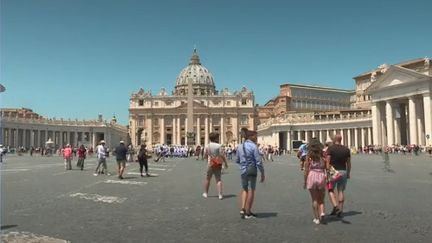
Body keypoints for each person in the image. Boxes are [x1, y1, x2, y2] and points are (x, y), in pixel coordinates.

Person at [236, 130, 265, 219]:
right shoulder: (253, 146)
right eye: (255, 136)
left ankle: (242, 208)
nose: (256, 138)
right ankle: (248, 211)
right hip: (252, 170)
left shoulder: (240, 146)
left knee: (244, 189)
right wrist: (262, 173)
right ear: (251, 136)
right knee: (251, 190)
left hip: (243, 171)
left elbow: (237, 160)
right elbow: (258, 161)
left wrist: (243, 164)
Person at [326, 134, 351, 218]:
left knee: (330, 190)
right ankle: (340, 210)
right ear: (341, 139)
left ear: (334, 140)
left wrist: (327, 171)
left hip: (333, 172)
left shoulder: (331, 148)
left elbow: (327, 161)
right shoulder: (346, 149)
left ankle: (335, 206)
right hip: (343, 171)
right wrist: (348, 173)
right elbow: (349, 163)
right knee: (341, 191)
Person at [304, 138, 327, 224]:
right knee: (321, 198)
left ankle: (316, 218)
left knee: (314, 199)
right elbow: (326, 167)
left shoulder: (308, 156)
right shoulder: (322, 155)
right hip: (321, 175)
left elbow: (306, 170)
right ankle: (322, 213)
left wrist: (304, 181)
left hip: (312, 175)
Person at [202, 132, 228, 200]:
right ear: (216, 138)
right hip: (218, 163)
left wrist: (207, 158)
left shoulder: (207, 146)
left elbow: (205, 156)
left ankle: (205, 193)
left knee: (208, 179)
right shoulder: (219, 146)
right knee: (218, 180)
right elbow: (222, 155)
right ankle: (220, 195)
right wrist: (225, 163)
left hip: (210, 163)